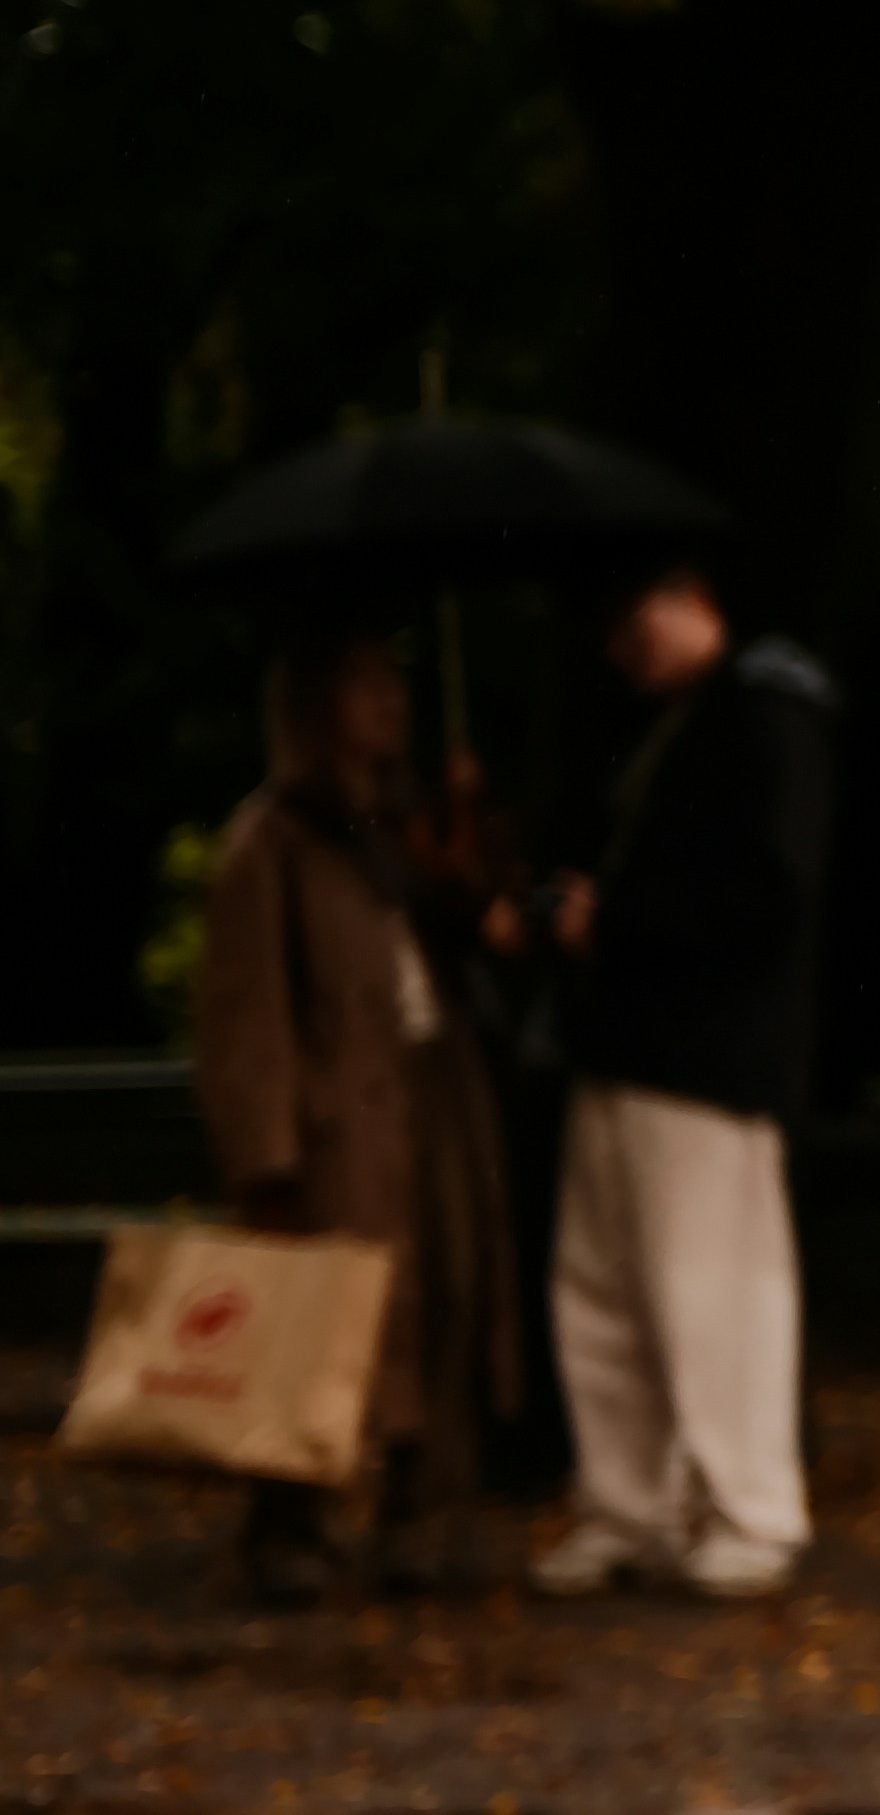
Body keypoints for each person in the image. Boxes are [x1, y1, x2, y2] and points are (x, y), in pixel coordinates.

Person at [528, 556, 834, 1600]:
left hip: (709, 1059)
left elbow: (768, 896)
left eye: (636, 616)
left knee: (717, 1294)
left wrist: (612, 923)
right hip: (624, 1047)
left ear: (697, 595)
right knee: (604, 1294)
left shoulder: (766, 709)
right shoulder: (664, 718)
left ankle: (750, 1508)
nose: (622, 645)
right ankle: (629, 1506)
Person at [195, 633, 525, 1601]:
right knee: (324, 1315)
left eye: (395, 682)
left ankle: (425, 1515)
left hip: (434, 1091)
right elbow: (244, 1018)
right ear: (314, 703)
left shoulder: (409, 829)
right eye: (364, 685)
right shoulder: (272, 842)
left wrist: (471, 832)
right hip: (337, 1115)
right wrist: (265, 1159)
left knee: (451, 1290)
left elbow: (476, 926)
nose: (389, 704)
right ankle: (288, 1525)